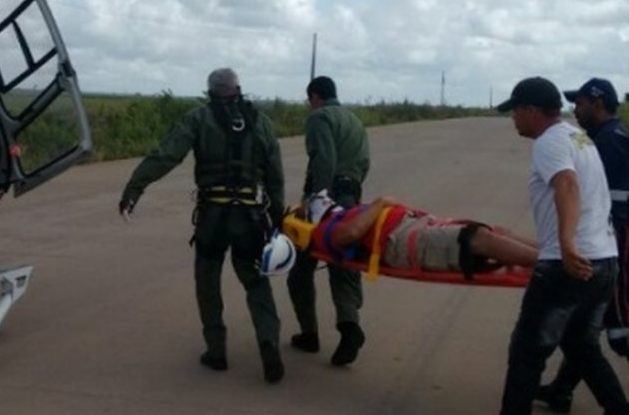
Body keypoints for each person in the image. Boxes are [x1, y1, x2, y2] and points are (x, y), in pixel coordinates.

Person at [118, 68, 287, 383]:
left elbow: (165, 155)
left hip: (213, 218)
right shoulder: (261, 122)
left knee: (208, 282)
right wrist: (279, 219)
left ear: (210, 91)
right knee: (256, 282)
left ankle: (216, 351)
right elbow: (275, 176)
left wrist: (134, 188)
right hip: (250, 218)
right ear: (238, 88)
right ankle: (268, 342)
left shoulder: (198, 118)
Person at [496, 76, 629, 415]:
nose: (513, 118)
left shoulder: (550, 141)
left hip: (567, 267)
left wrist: (567, 245)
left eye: (515, 111)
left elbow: (566, 185)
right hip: (604, 262)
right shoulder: (578, 136)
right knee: (581, 346)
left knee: (527, 352)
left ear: (531, 110)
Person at [537, 78, 629, 413]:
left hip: (614, 243)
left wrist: (581, 242)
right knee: (583, 330)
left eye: (581, 103)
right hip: (608, 242)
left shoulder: (609, 143)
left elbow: (607, 201)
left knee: (618, 327)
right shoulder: (604, 139)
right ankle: (561, 391)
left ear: (598, 102)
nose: (575, 109)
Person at [287, 75, 371, 366]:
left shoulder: (319, 118)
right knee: (344, 263)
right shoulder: (354, 121)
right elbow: (364, 164)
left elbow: (324, 158)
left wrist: (315, 199)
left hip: (327, 198)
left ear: (314, 97)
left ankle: (309, 334)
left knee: (301, 268)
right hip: (351, 198)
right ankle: (349, 327)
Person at [291, 191, 538, 274]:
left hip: (415, 228)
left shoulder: (338, 217)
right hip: (403, 242)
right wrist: (380, 202)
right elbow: (352, 234)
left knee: (495, 231)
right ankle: (552, 265)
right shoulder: (325, 230)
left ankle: (558, 255)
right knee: (479, 239)